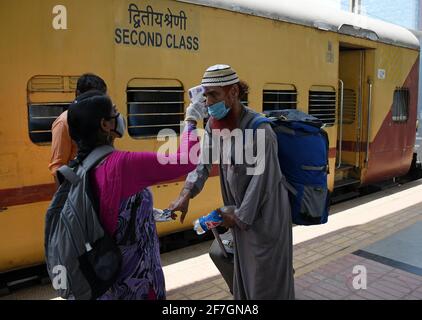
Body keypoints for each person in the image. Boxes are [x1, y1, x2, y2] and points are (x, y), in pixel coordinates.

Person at [169, 64, 295, 300]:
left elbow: (262, 184)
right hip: (240, 217)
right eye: (205, 95)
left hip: (266, 220)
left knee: (266, 282)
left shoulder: (260, 130)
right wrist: (185, 195)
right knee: (244, 277)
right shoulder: (214, 125)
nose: (207, 102)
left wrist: (237, 216)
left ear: (234, 92)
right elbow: (202, 163)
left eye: (213, 95)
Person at [67, 90, 205, 300]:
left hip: (105, 278)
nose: (119, 115)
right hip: (135, 279)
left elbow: (108, 208)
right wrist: (192, 119)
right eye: (115, 112)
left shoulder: (80, 166)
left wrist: (145, 211)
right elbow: (185, 160)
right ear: (105, 125)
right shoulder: (121, 164)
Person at [48, 73, 107, 183]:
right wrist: (76, 188)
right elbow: (58, 167)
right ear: (79, 95)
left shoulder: (101, 120)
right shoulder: (64, 122)